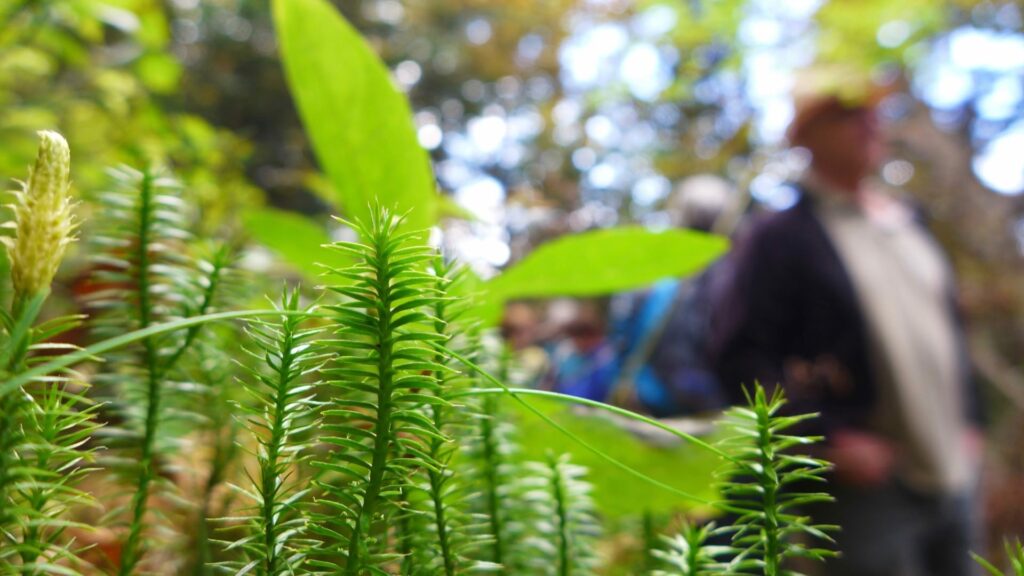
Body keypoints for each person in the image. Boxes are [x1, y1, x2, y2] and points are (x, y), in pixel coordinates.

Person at [708, 64, 985, 576]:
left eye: (872, 111)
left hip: (955, 474)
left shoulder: (909, 223)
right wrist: (827, 440)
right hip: (869, 493)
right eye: (846, 114)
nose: (869, 123)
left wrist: (971, 420)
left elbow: (949, 332)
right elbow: (740, 356)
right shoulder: (780, 239)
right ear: (805, 136)